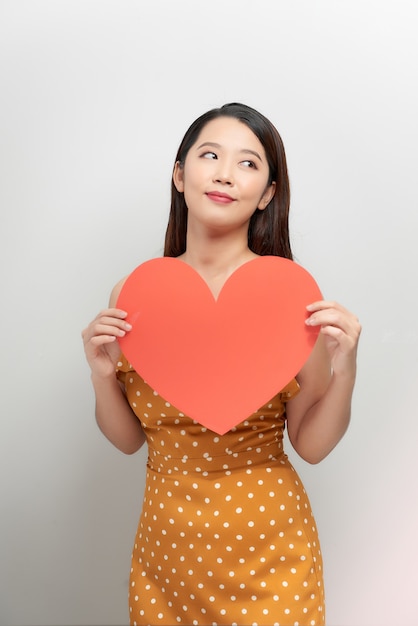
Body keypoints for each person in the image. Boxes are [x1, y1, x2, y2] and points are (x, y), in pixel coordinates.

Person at [82, 103, 361, 626]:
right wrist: (101, 375)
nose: (225, 174)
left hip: (272, 554)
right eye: (210, 155)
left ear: (268, 194)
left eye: (249, 163)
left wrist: (345, 370)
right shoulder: (135, 293)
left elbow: (311, 446)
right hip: (166, 556)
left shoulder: (288, 298)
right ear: (180, 174)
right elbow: (128, 439)